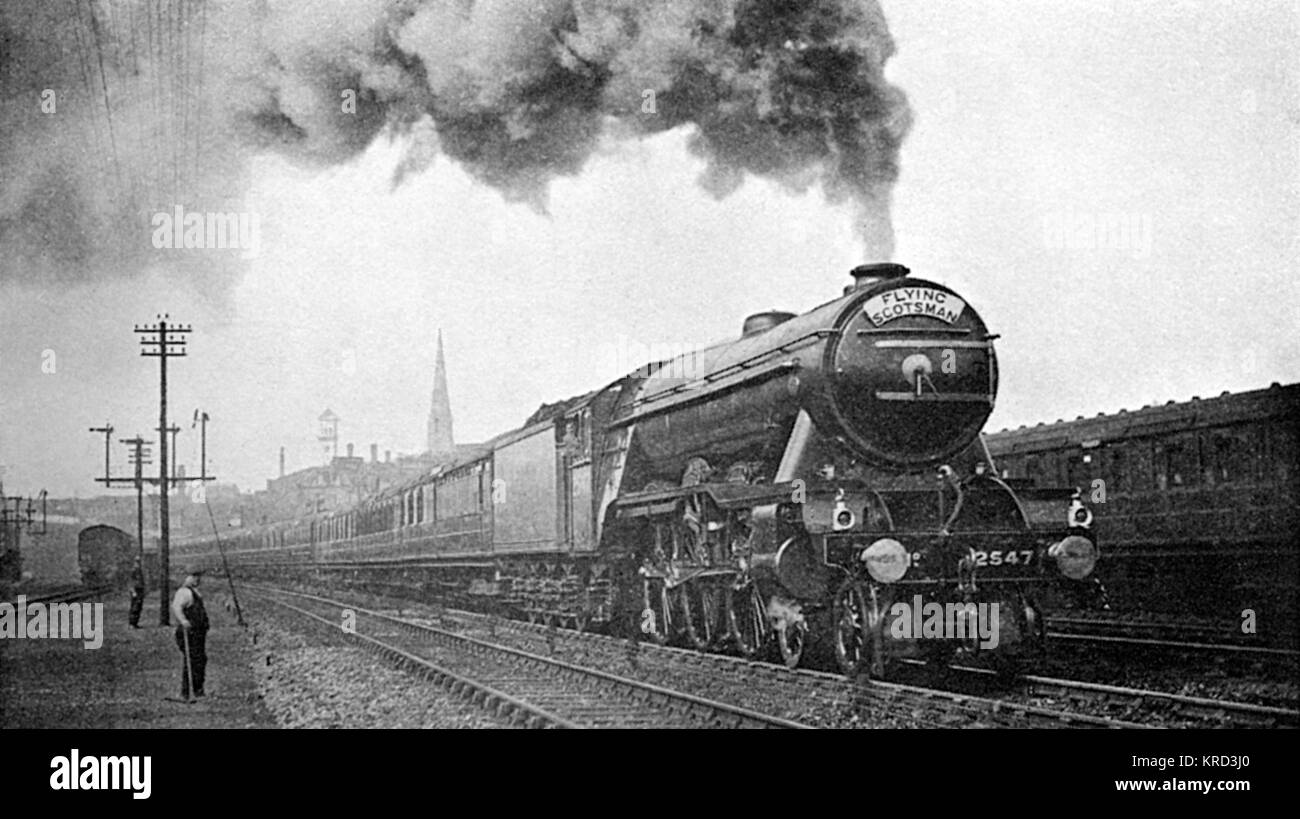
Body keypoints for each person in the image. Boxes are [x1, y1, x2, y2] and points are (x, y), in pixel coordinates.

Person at [171, 567, 209, 699]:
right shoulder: (184, 592)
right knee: (192, 660)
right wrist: (183, 621)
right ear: (187, 577)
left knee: (199, 660)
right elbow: (176, 607)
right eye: (194, 576)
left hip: (197, 633)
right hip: (189, 632)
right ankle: (187, 692)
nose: (197, 579)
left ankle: (198, 690)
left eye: (198, 576)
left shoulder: (194, 592)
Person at [127, 557, 146, 628]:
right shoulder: (133, 570)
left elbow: (142, 581)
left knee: (139, 607)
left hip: (140, 589)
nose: (138, 564)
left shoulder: (139, 571)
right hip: (135, 590)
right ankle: (132, 623)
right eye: (137, 562)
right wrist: (133, 591)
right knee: (135, 606)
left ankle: (135, 623)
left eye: (139, 562)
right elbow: (131, 581)